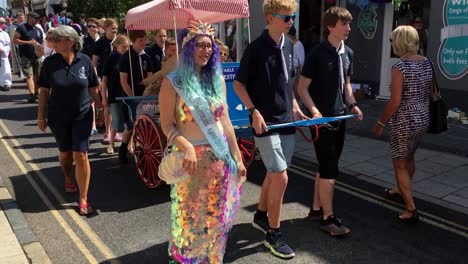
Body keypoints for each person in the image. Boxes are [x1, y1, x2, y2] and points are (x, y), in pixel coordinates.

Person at [159, 20, 246, 263]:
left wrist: (237, 159)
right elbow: (167, 125)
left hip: (218, 162)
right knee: (188, 218)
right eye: (200, 45)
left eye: (210, 46)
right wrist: (186, 147)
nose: (206, 51)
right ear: (188, 49)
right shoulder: (172, 82)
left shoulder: (216, 79)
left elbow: (226, 123)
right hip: (190, 164)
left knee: (215, 217)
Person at [234, 0, 307, 259]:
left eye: (293, 17)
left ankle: (261, 216)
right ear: (269, 17)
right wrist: (254, 112)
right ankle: (273, 234)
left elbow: (287, 84)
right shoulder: (255, 49)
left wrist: (295, 106)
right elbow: (238, 86)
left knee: (274, 173)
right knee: (281, 176)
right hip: (265, 122)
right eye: (286, 18)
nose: (291, 22)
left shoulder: (289, 45)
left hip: (286, 119)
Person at [297, 6, 363, 237]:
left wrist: (353, 104)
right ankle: (328, 218)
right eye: (344, 24)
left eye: (349, 23)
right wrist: (314, 112)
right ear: (330, 27)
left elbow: (345, 84)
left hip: (340, 117)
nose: (348, 28)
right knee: (330, 170)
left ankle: (316, 210)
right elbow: (302, 88)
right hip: (321, 121)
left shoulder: (349, 53)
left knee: (327, 166)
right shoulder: (316, 53)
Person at [37, 25, 101, 216]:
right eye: (53, 40)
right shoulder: (50, 63)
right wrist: (41, 115)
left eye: (57, 40)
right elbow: (44, 91)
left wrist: (100, 108)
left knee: (81, 154)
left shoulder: (85, 61)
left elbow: (93, 87)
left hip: (82, 114)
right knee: (65, 153)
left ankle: (83, 198)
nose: (53, 43)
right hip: (58, 115)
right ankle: (67, 175)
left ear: (70, 41)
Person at [374, 25, 431, 224]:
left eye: (392, 40)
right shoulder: (426, 62)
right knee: (409, 157)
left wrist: (381, 122)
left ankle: (410, 208)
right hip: (423, 117)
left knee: (399, 164)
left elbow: (395, 102)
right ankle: (400, 189)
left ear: (400, 42)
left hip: (405, 121)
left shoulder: (400, 67)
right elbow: (430, 92)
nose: (391, 44)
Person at [118, 30, 153, 164]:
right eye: (140, 40)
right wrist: (133, 98)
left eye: (145, 39)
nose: (144, 43)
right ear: (133, 41)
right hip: (130, 96)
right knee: (132, 124)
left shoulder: (146, 58)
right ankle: (123, 147)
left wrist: (148, 94)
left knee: (146, 123)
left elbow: (150, 78)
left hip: (145, 95)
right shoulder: (126, 58)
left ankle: (142, 148)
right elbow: (123, 81)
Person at [102, 34, 129, 154]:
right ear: (117, 45)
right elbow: (104, 78)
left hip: (126, 93)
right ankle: (111, 143)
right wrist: (104, 96)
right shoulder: (111, 58)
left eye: (127, 47)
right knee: (117, 121)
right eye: (124, 46)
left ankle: (127, 144)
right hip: (114, 93)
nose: (126, 49)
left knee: (128, 120)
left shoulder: (128, 58)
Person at [92, 18, 118, 141]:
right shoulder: (99, 44)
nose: (115, 30)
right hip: (105, 79)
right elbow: (94, 63)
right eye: (112, 28)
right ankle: (107, 133)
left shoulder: (120, 41)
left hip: (119, 79)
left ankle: (116, 131)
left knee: (117, 106)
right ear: (106, 28)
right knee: (107, 105)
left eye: (116, 28)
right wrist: (98, 79)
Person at [13, 12, 44, 103]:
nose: (37, 20)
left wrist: (41, 49)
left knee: (37, 76)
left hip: (36, 56)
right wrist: (28, 42)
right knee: (29, 75)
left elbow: (41, 42)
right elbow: (15, 40)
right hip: (25, 56)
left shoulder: (38, 29)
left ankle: (36, 93)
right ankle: (32, 94)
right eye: (35, 18)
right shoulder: (21, 28)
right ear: (29, 18)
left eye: (38, 18)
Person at [287, 24, 305, 95]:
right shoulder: (289, 44)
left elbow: (300, 61)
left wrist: (289, 61)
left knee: (294, 93)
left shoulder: (298, 45)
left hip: (296, 74)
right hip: (290, 73)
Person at [0, 17, 12, 91]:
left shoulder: (4, 33)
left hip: (3, 54)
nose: (2, 24)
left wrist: (3, 50)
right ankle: (1, 83)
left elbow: (8, 44)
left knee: (5, 68)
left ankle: (7, 83)